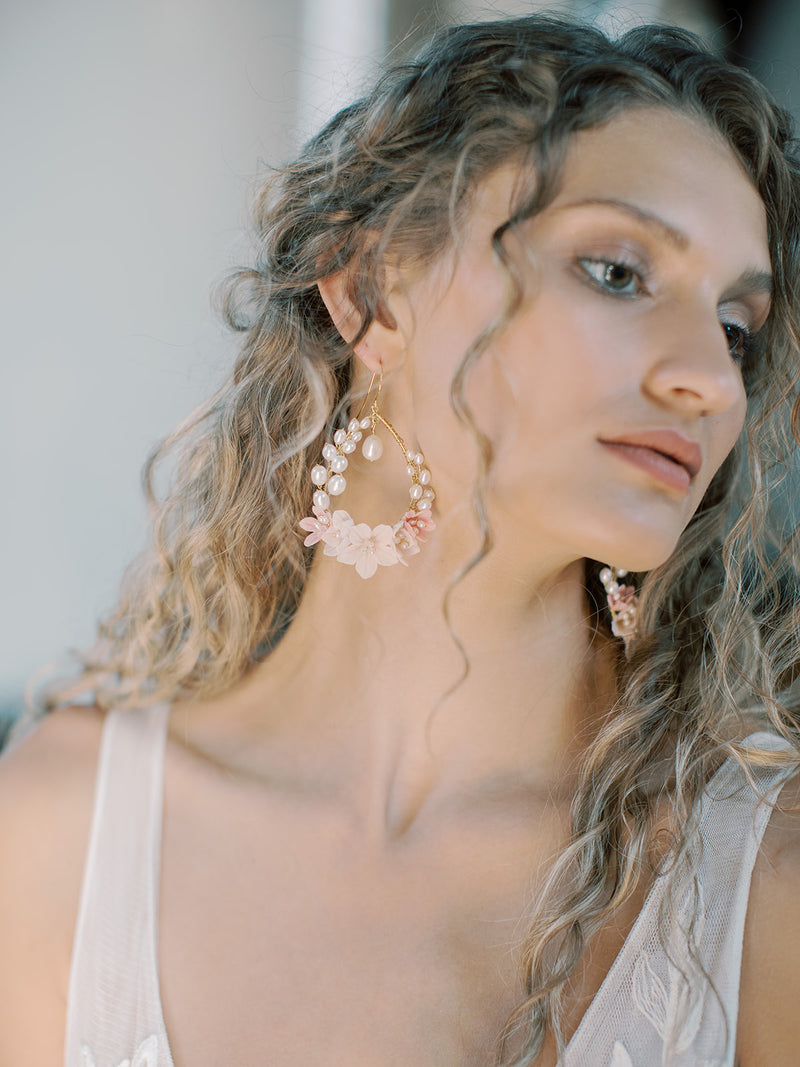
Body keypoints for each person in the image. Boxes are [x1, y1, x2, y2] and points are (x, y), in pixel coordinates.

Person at [3, 12, 800, 1066]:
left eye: (733, 328)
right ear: (370, 291)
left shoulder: (756, 880)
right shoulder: (60, 824)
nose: (704, 376)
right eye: (616, 270)